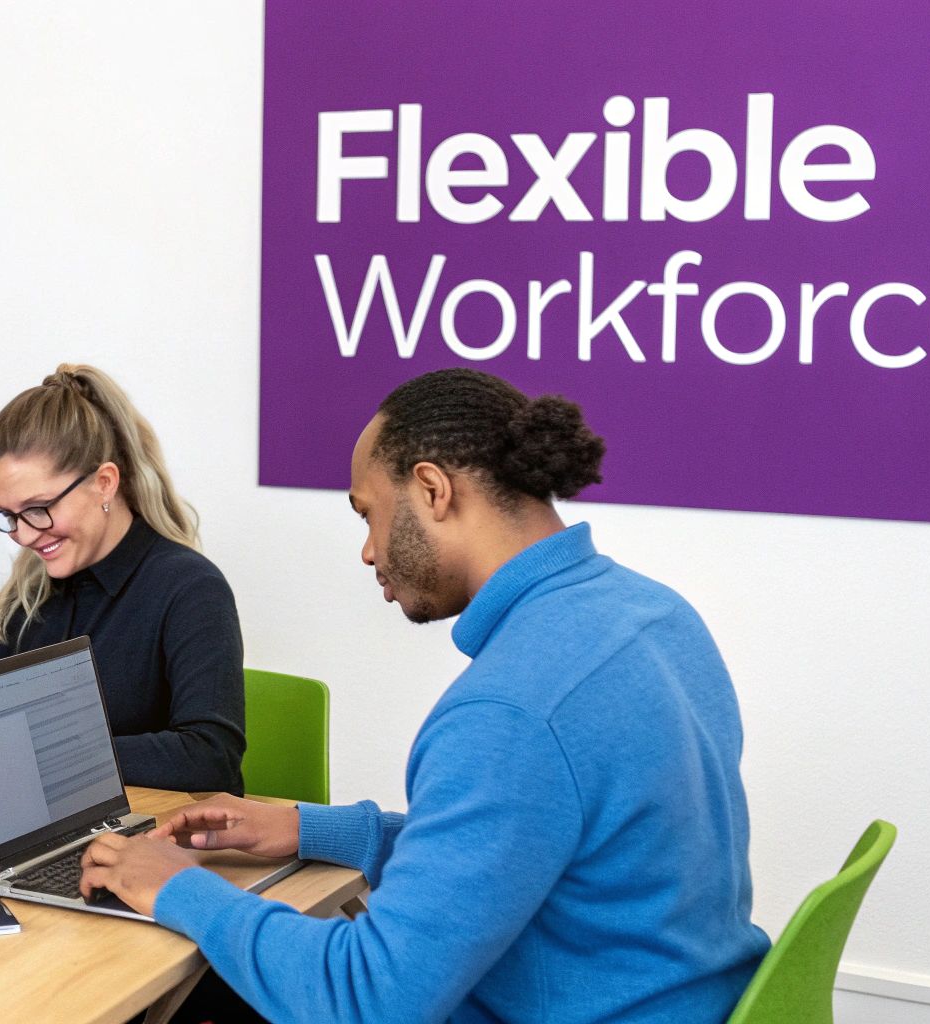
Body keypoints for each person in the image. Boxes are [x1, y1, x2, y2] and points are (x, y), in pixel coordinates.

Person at [77, 368, 771, 1022]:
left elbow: (366, 1000)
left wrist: (177, 887)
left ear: (434, 490)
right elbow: (532, 838)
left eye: (368, 514)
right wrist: (311, 828)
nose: (369, 551)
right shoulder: (654, 615)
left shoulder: (507, 713)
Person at [0, 364, 245, 793]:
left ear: (103, 483)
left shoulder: (189, 587)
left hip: (157, 840)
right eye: (9, 515)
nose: (23, 535)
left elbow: (209, 757)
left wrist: (44, 751)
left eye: (39, 509)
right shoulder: (36, 590)